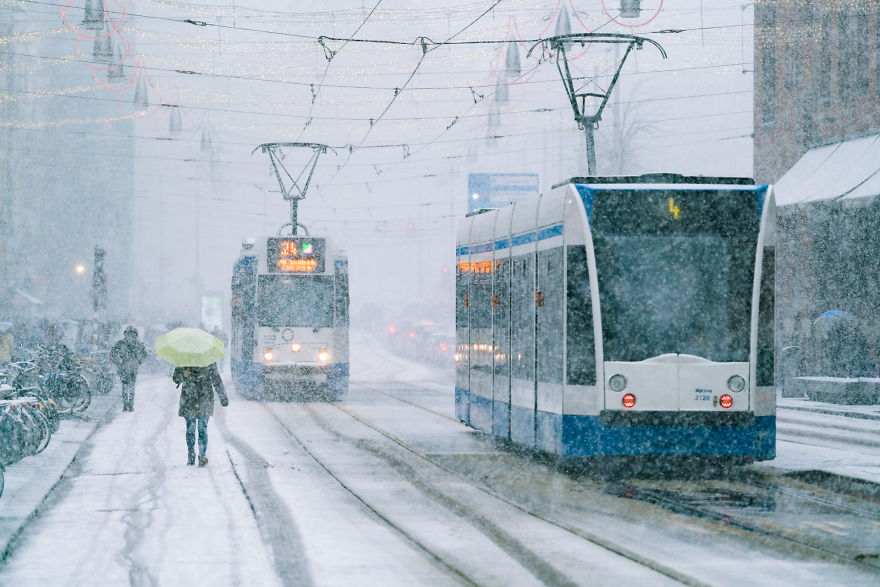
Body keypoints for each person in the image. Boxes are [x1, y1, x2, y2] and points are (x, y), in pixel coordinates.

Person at [172, 362, 228, 467]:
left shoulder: (208, 359)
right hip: (190, 398)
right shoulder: (185, 359)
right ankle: (191, 454)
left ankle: (202, 455)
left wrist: (223, 396)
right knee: (191, 429)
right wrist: (183, 374)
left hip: (203, 399)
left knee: (202, 428)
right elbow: (176, 378)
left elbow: (216, 379)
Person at [110, 326, 148, 412]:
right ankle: (130, 405)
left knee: (125, 386)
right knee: (131, 386)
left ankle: (126, 405)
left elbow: (112, 354)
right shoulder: (138, 344)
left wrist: (118, 362)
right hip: (133, 367)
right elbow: (144, 354)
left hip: (123, 367)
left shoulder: (121, 343)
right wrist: (139, 362)